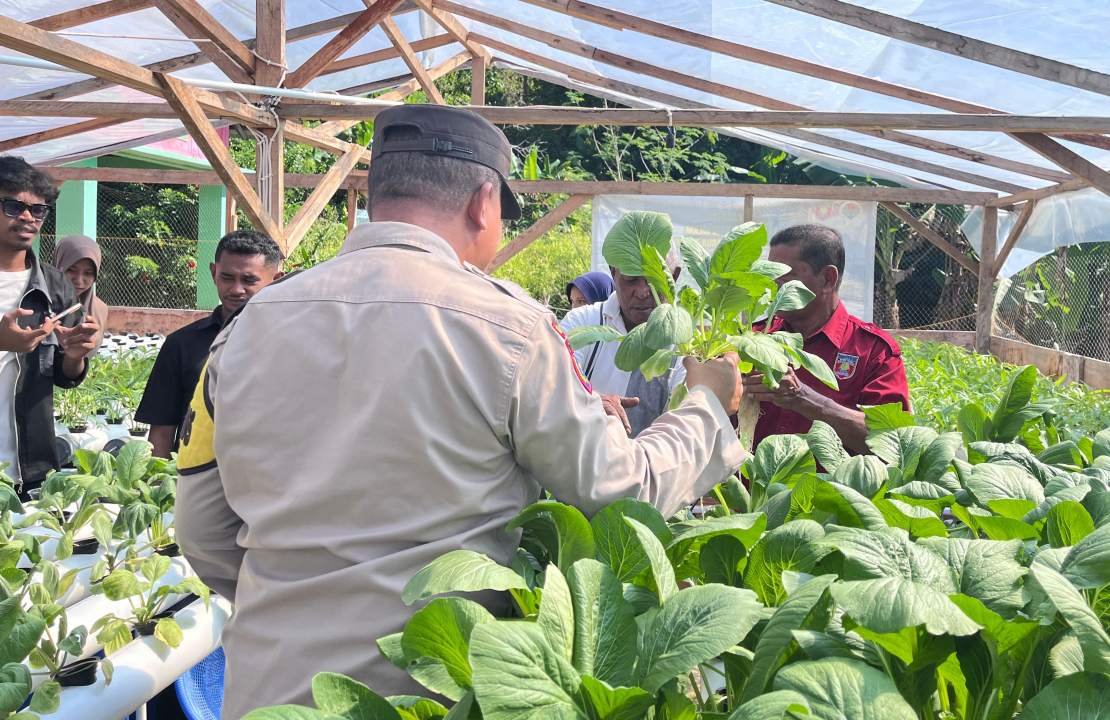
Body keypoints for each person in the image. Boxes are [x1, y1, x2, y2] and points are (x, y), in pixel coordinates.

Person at [173, 104, 744, 719]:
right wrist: (707, 404)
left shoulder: (244, 331)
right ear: (483, 203)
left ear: (372, 194)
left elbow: (202, 530)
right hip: (432, 693)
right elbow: (618, 491)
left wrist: (298, 601)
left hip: (270, 688)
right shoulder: (510, 327)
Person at [746, 224, 910, 454]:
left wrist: (803, 398)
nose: (772, 285)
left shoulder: (873, 352)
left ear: (827, 279)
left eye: (784, 276)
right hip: (749, 489)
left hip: (828, 490)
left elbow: (893, 443)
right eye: (769, 274)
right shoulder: (754, 339)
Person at [134, 230, 283, 459]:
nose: (236, 289)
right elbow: (162, 431)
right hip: (197, 480)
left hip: (268, 481)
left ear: (277, 280)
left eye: (249, 280)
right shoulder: (181, 344)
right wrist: (153, 489)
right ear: (213, 273)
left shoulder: (289, 343)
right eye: (227, 277)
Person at [0, 157, 100, 497]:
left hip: (28, 470)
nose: (28, 217)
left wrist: (74, 356)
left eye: (38, 210)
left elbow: (63, 374)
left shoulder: (56, 286)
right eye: (13, 206)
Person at [559, 250, 687, 436]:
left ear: (673, 278)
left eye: (654, 278)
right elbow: (552, 381)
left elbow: (684, 427)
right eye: (631, 279)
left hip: (651, 463)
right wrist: (593, 401)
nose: (643, 293)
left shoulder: (687, 344)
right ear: (613, 273)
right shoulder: (581, 322)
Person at [53, 234, 109, 359]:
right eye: (71, 270)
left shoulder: (100, 309)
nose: (79, 280)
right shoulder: (38, 300)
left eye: (88, 273)